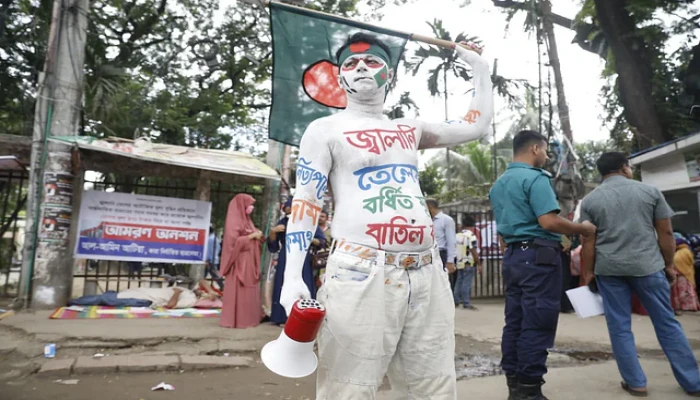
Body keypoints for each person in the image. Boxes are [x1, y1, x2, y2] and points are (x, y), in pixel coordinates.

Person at [280, 32, 493, 399]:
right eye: (350, 64)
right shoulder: (325, 129)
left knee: (432, 388)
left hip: (427, 273)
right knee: (349, 389)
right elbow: (306, 202)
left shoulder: (408, 129)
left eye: (372, 61)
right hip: (359, 272)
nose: (361, 67)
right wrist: (292, 275)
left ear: (389, 75)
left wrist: (479, 67)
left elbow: (474, 126)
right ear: (340, 78)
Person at [580, 152, 700, 397]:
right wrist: (668, 265)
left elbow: (588, 240)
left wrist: (589, 273)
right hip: (648, 266)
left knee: (619, 326)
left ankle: (636, 383)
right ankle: (693, 382)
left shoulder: (590, 201)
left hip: (609, 270)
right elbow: (666, 233)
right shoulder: (650, 192)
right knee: (666, 323)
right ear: (624, 168)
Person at [489, 130, 596, 400]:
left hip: (514, 256)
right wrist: (580, 228)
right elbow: (548, 221)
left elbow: (510, 228)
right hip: (538, 259)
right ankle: (529, 392)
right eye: (546, 151)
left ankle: (515, 386)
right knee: (538, 322)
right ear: (535, 149)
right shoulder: (535, 179)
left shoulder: (499, 184)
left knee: (515, 322)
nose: (547, 156)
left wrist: (553, 237)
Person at [267, 198, 326, 325]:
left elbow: (321, 242)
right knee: (283, 284)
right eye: (286, 209)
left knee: (304, 283)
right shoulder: (283, 222)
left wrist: (307, 238)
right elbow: (273, 246)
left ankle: (305, 316)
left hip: (303, 258)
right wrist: (273, 231)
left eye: (290, 208)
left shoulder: (309, 222)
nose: (288, 211)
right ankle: (281, 317)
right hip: (285, 257)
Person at [219, 194, 264, 329]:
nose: (251, 208)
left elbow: (253, 235)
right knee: (240, 288)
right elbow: (233, 243)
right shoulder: (234, 221)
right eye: (249, 204)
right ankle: (237, 320)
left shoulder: (247, 220)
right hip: (239, 261)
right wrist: (251, 236)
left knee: (250, 289)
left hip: (250, 261)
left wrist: (258, 235)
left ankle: (250, 318)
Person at [427, 199, 457, 285]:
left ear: (431, 207)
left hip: (441, 254)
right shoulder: (428, 220)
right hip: (430, 254)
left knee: (443, 282)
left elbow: (451, 241)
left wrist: (450, 261)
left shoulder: (446, 220)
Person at [454, 214, 481, 309]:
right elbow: (473, 250)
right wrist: (479, 263)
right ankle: (466, 303)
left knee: (459, 282)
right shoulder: (471, 236)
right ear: (472, 226)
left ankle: (456, 301)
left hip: (459, 262)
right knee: (467, 283)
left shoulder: (457, 235)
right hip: (469, 262)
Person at [672, 237, 700, 313]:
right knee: (685, 291)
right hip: (683, 273)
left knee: (685, 291)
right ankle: (686, 306)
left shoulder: (683, 252)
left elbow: (679, 262)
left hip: (683, 274)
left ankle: (688, 306)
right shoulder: (684, 251)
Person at [205, 224, 225, 290]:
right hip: (214, 259)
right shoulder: (216, 238)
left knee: (203, 276)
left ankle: (223, 287)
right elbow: (218, 249)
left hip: (210, 260)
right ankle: (222, 286)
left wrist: (207, 259)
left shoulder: (209, 239)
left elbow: (208, 250)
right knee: (214, 274)